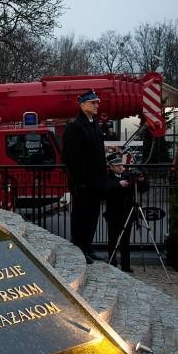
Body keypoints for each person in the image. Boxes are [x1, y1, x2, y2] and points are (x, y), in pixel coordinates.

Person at [62, 89, 107, 264]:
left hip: (96, 181)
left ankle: (88, 246)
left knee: (93, 216)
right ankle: (79, 248)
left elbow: (98, 155)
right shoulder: (75, 127)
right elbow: (71, 158)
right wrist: (78, 183)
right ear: (82, 105)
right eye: (93, 102)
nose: (96, 105)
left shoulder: (94, 124)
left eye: (97, 102)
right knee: (81, 216)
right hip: (83, 183)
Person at [103, 153, 148, 273]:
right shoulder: (107, 177)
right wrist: (118, 184)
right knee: (113, 239)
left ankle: (125, 265)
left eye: (121, 165)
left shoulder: (127, 175)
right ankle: (112, 263)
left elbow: (143, 188)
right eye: (117, 165)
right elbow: (105, 189)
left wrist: (142, 180)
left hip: (127, 213)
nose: (120, 167)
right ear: (111, 167)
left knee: (125, 240)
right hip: (113, 213)